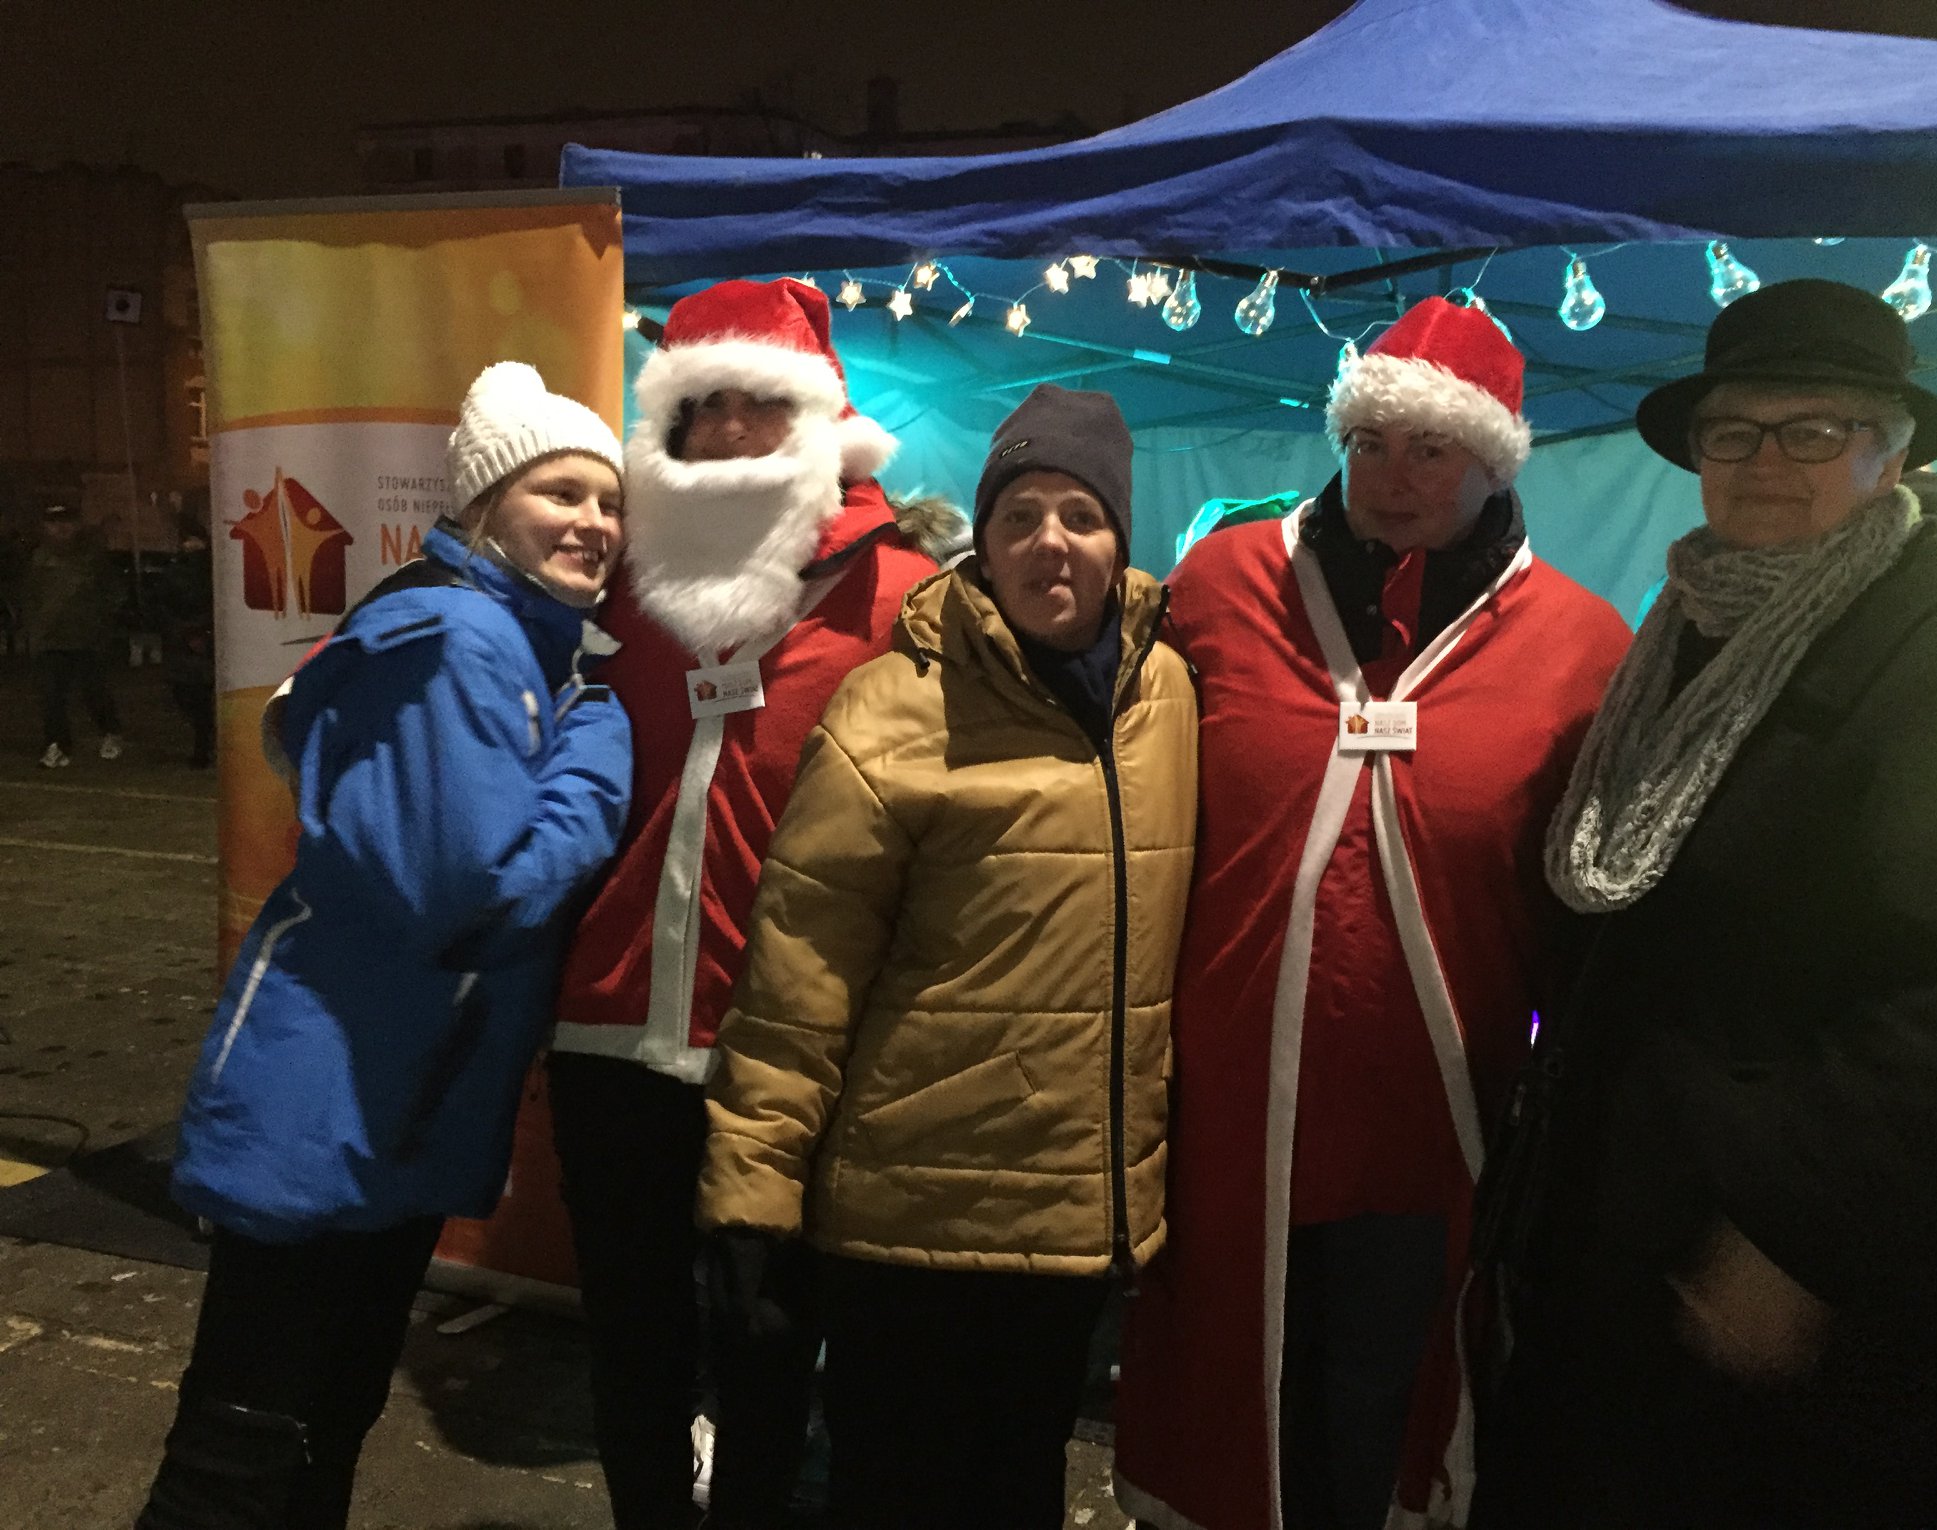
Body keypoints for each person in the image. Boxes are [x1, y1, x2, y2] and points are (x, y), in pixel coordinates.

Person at [1472, 279, 1937, 1530]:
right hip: (1636, 1225)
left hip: (1787, 1279)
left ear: (1891, 451)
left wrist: (1792, 1238)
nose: (1765, 463)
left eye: (1813, 430)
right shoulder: (1695, 620)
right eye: (1734, 432)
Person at [1112, 297, 1632, 1530]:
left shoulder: (1577, 642)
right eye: (1370, 444)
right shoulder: (1224, 584)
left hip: (1430, 1129)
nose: (1392, 478)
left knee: (1376, 1414)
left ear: (1494, 462)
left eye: (1431, 449)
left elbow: (1592, 907)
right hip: (1225, 1111)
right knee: (1226, 1394)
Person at [137, 363, 632, 1530]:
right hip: (325, 1108)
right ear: (485, 505)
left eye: (610, 502)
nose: (595, 523)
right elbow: (472, 893)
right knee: (243, 1451)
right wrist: (598, 749)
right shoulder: (458, 638)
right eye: (561, 492)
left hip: (382, 1106)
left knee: (320, 1424)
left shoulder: (512, 640)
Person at [696, 384, 1197, 1530]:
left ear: (1121, 539)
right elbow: (801, 970)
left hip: (1071, 1226)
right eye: (1021, 516)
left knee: (1019, 1491)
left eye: (1081, 515)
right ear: (986, 539)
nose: (1050, 542)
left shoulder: (1166, 694)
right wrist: (753, 1195)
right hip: (907, 1224)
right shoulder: (893, 708)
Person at [548, 277, 939, 1530]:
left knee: (771, 1346)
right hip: (609, 1036)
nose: (723, 429)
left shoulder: (903, 600)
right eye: (700, 403)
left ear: (817, 418)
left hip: (787, 1049)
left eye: (755, 402)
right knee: (632, 1347)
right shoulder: (612, 589)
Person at [25, 501, 123, 767]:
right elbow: (31, 596)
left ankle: (110, 731)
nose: (61, 528)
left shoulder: (92, 556)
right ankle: (57, 745)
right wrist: (34, 628)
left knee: (94, 692)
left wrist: (100, 623)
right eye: (54, 523)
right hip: (50, 639)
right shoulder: (39, 557)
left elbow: (113, 593)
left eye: (66, 522)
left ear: (77, 525)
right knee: (52, 697)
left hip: (87, 638)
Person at [157, 513, 216, 767]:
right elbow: (163, 603)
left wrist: (200, 631)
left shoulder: (212, 570)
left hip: (201, 639)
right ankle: (205, 739)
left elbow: (214, 602)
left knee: (200, 697)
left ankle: (202, 748)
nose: (190, 545)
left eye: (195, 540)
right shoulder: (174, 569)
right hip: (180, 639)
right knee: (183, 694)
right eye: (186, 540)